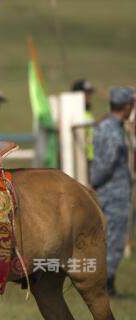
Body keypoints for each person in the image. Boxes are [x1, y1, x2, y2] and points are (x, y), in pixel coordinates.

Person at [91, 86, 134, 296]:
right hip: (114, 193)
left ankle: (105, 284)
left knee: (101, 238)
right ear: (127, 106)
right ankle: (106, 286)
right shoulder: (114, 130)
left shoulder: (103, 125)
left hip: (103, 191)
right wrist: (95, 181)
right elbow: (106, 163)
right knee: (114, 240)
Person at [72, 79, 96, 162]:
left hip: (90, 158)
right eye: (86, 93)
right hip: (80, 159)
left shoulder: (87, 112)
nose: (89, 96)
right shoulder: (73, 113)